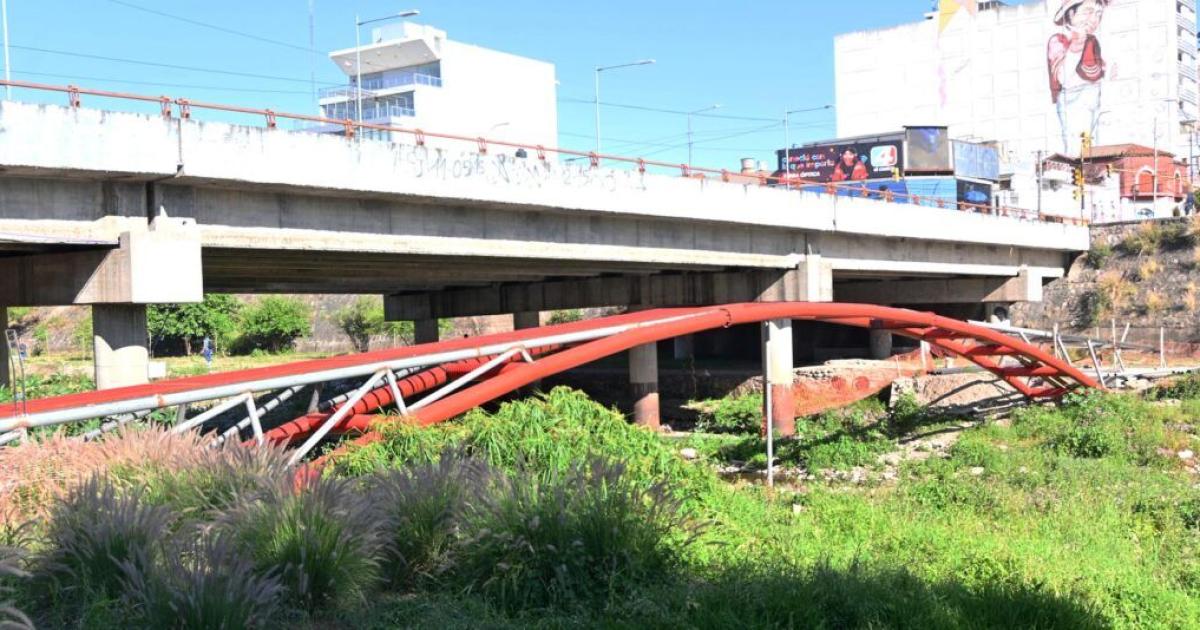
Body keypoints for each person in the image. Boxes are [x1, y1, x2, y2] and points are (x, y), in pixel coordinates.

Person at [1047, 0, 1109, 155]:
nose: (1094, 20)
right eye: (1088, 12)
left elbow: (1100, 72)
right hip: (1073, 100)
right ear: (1071, 14)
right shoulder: (1058, 40)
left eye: (1098, 14)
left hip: (1092, 100)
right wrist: (1077, 44)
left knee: (1090, 142)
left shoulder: (1093, 42)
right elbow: (1062, 78)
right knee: (1076, 146)